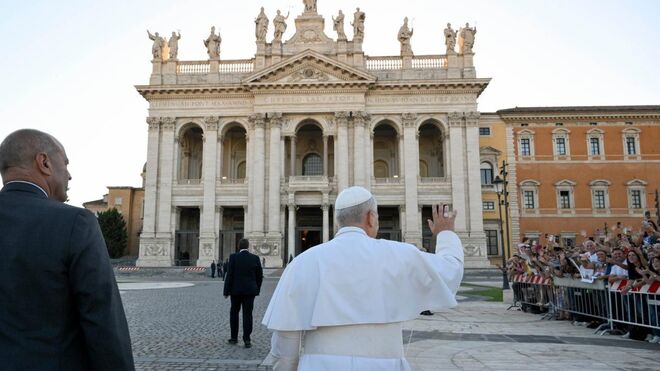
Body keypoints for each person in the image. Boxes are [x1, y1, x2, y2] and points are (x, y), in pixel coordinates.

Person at [263, 186, 464, 370]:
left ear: (338, 221)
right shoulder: (399, 254)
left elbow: (286, 338)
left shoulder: (302, 262)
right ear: (371, 218)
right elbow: (450, 272)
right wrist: (445, 234)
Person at [0, 129, 134, 370]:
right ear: (44, 163)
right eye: (65, 163)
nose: (69, 175)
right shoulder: (76, 223)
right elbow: (102, 323)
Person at [224, 238, 264, 348]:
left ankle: (233, 338)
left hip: (235, 291)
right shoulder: (255, 258)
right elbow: (259, 276)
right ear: (248, 246)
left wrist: (226, 291)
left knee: (234, 314)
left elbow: (229, 275)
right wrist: (257, 289)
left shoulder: (233, 257)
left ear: (238, 246)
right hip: (250, 291)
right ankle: (247, 339)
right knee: (248, 315)